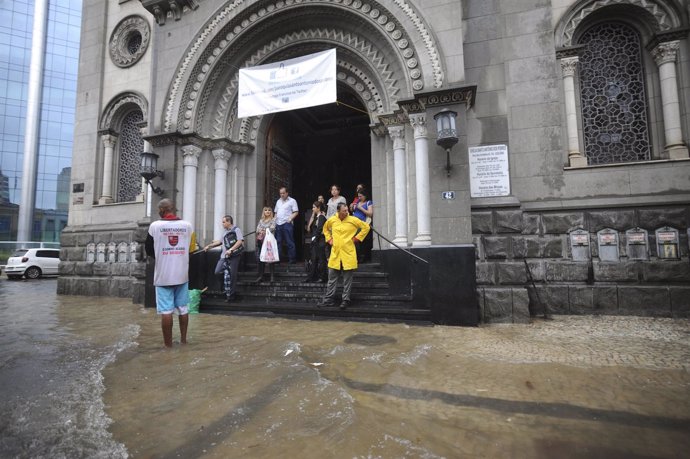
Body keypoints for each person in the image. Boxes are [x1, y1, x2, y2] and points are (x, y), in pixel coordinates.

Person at [145, 199, 193, 348]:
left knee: (166, 311)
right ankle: (184, 340)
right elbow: (191, 248)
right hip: (182, 274)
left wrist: (163, 255)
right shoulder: (187, 226)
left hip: (163, 276)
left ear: (161, 210)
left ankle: (168, 345)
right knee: (183, 308)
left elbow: (149, 250)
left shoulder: (155, 226)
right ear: (173, 209)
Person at [320, 202, 370, 309]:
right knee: (332, 278)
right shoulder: (332, 220)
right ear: (338, 211)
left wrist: (356, 239)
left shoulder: (353, 219)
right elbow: (325, 229)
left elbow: (366, 227)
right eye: (344, 211)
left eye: (347, 210)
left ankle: (345, 300)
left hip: (348, 253)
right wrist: (329, 240)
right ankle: (329, 299)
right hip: (336, 254)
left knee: (347, 279)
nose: (347, 212)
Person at [204, 215, 244, 302]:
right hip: (223, 256)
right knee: (217, 271)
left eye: (224, 222)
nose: (222, 223)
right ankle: (225, 287)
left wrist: (231, 250)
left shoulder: (237, 230)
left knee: (233, 275)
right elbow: (219, 242)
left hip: (234, 256)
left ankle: (231, 296)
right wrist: (209, 246)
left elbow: (240, 241)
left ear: (229, 222)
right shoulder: (225, 232)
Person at [274, 186, 299, 264]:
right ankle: (278, 259)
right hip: (278, 224)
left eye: (283, 193)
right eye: (280, 193)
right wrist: (273, 222)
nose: (282, 195)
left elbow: (296, 212)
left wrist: (290, 219)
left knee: (289, 242)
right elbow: (276, 213)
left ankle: (292, 259)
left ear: (287, 193)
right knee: (278, 242)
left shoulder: (292, 201)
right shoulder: (278, 201)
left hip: (287, 224)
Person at [304, 201, 327, 283]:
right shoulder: (317, 217)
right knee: (314, 259)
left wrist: (315, 239)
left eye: (314, 207)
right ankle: (312, 276)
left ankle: (322, 277)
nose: (313, 209)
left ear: (318, 208)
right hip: (316, 240)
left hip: (320, 240)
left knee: (321, 259)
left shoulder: (321, 217)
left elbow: (319, 229)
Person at [255, 206, 276, 283]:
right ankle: (261, 276)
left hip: (269, 241)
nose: (267, 211)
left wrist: (264, 230)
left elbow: (272, 228)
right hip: (261, 241)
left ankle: (272, 276)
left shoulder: (273, 220)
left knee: (270, 258)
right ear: (263, 212)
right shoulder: (261, 220)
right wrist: (262, 230)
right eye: (266, 210)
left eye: (269, 210)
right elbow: (257, 229)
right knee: (261, 258)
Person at [352, 188, 374, 263]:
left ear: (365, 196)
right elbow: (352, 210)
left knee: (357, 240)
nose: (359, 198)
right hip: (353, 224)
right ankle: (355, 256)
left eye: (361, 196)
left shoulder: (368, 202)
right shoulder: (357, 201)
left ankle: (360, 257)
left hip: (361, 224)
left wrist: (361, 208)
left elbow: (370, 213)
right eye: (358, 196)